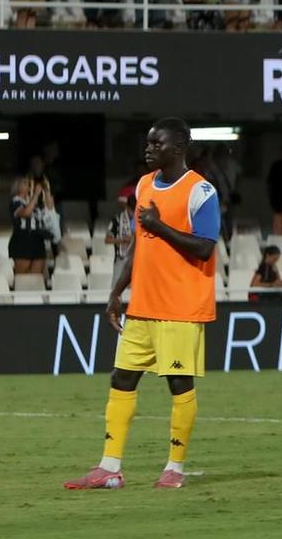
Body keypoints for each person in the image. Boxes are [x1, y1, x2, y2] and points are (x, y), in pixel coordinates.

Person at [63, 119, 219, 491]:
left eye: (156, 144)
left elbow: (205, 247)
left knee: (178, 384)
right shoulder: (145, 185)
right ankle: (110, 467)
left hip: (180, 307)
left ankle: (174, 468)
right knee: (122, 378)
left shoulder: (200, 191)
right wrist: (116, 292)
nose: (148, 150)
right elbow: (137, 245)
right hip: (143, 305)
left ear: (178, 147)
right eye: (148, 143)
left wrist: (160, 225)